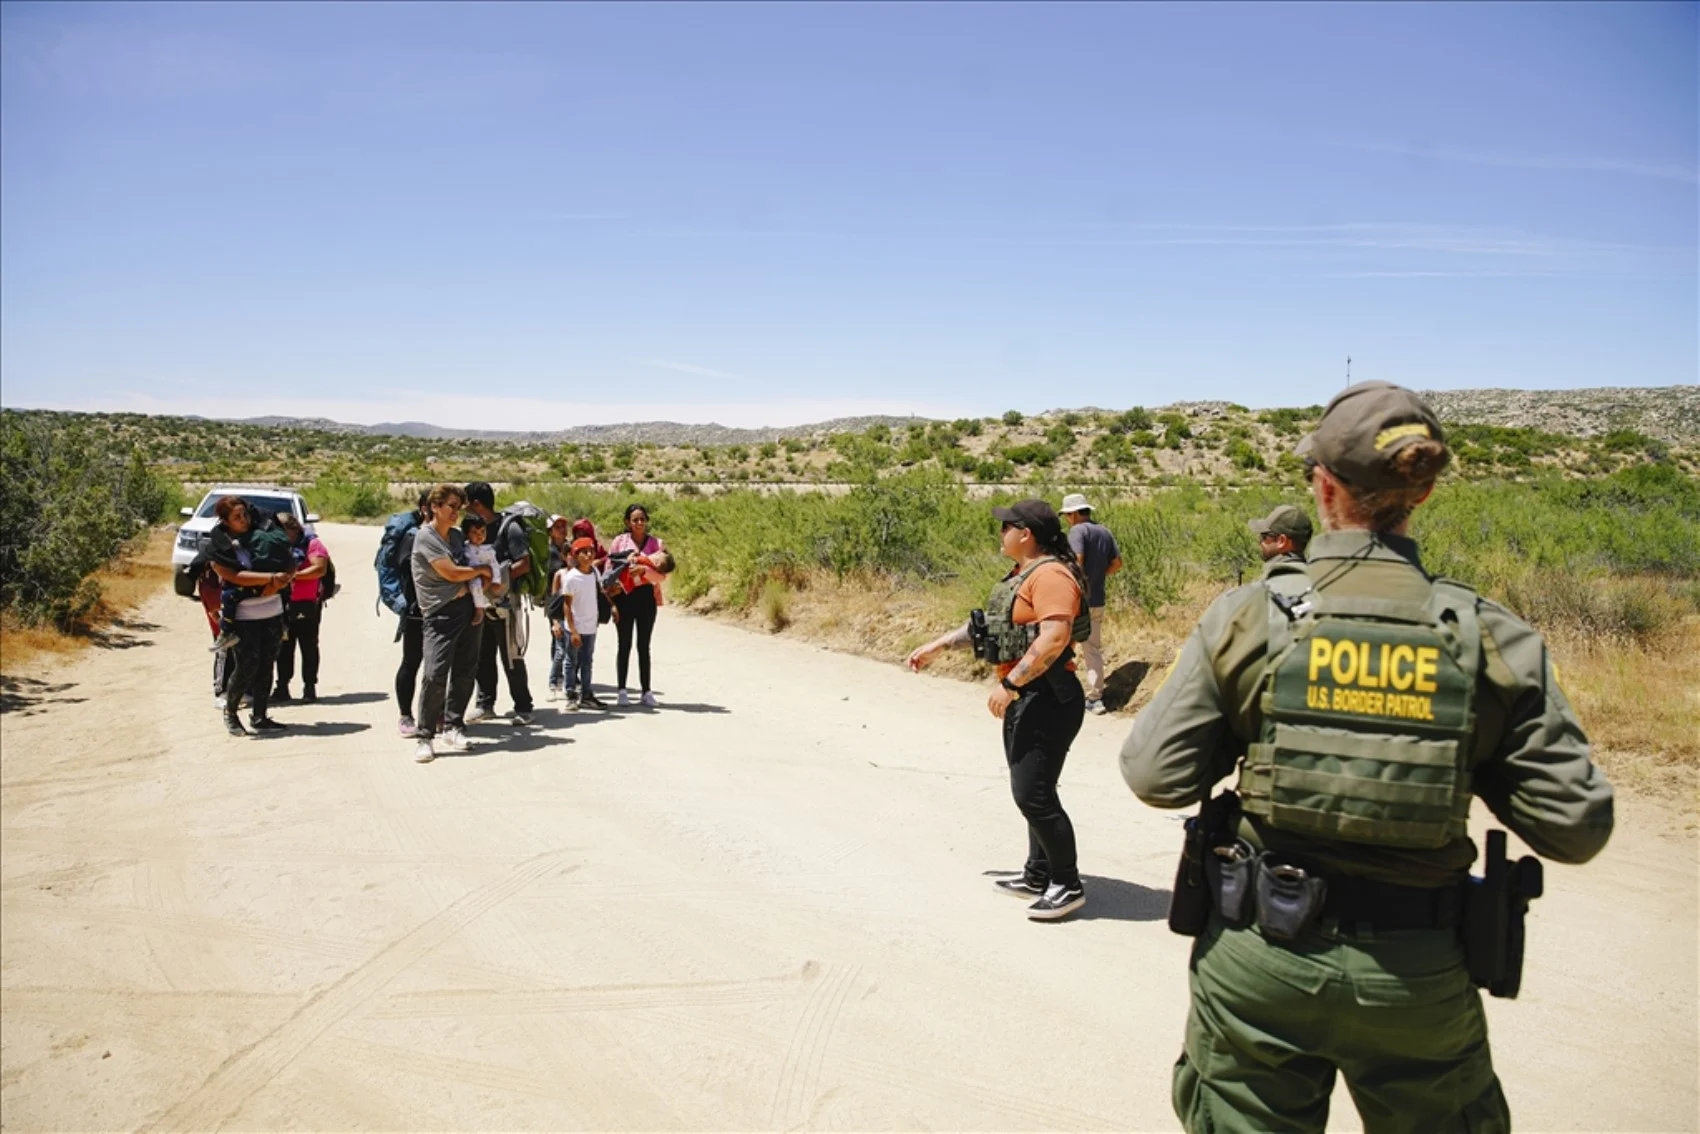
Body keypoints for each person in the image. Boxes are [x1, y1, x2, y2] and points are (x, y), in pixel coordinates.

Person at [1119, 382, 1614, 1133]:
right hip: (1416, 974)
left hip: (1262, 958)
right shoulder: (1486, 636)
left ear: (1322, 487)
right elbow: (1575, 826)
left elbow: (1155, 775)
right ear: (1424, 492)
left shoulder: (1252, 616)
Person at [906, 498, 1090, 921]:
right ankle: (1038, 873)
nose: (1000, 533)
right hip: (1031, 695)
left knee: (1033, 793)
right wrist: (936, 647)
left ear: (1026, 534)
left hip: (1048, 697)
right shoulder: (1022, 574)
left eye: (1006, 527)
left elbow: (1054, 639)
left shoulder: (1051, 576)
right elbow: (989, 626)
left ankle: (1067, 883)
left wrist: (1011, 684)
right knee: (1034, 789)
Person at [410, 484, 493, 764]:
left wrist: (478, 594)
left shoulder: (457, 537)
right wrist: (480, 571)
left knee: (465, 670)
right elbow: (452, 571)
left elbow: (470, 570)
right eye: (451, 506)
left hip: (467, 608)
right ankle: (424, 735)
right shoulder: (426, 538)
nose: (456, 512)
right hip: (440, 613)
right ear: (435, 507)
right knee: (434, 674)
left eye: (459, 507)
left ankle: (453, 726)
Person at [206, 497, 295, 737]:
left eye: (245, 514)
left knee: (267, 665)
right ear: (225, 521)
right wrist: (270, 580)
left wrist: (281, 580)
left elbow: (290, 561)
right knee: (247, 665)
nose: (244, 521)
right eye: (237, 517)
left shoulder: (266, 533)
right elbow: (233, 575)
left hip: (272, 611)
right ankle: (231, 713)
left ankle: (260, 715)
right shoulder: (220, 545)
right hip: (244, 616)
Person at [465, 482, 536, 725]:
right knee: (482, 655)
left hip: (506, 604)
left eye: (466, 504)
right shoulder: (476, 529)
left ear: (476, 504)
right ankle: (485, 704)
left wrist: (496, 581)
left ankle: (523, 707)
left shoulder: (510, 527)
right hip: (482, 603)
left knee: (511, 655)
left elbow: (524, 563)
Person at [1061, 492, 1122, 716]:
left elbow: (1076, 561)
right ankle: (1095, 698)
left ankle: (1061, 694)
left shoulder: (1077, 531)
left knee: (1061, 644)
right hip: (1097, 599)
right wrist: (1096, 577)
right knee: (1092, 649)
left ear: (1075, 513)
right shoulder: (1104, 532)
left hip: (1076, 600)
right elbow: (1117, 564)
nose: (1067, 519)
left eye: (1067, 515)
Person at [607, 504, 668, 708]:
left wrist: (643, 570)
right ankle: (622, 690)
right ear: (627, 522)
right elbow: (609, 570)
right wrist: (611, 600)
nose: (639, 523)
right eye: (635, 520)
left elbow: (662, 575)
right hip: (624, 597)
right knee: (624, 645)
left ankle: (646, 691)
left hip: (645, 597)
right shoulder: (619, 542)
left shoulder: (657, 544)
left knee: (644, 646)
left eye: (642, 519)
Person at [272, 513, 329, 703]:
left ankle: (309, 687)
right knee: (283, 646)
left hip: (306, 603)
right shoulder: (278, 545)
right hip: (282, 602)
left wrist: (291, 576)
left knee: (308, 646)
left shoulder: (312, 544)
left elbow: (319, 569)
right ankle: (282, 687)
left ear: (293, 529)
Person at [391, 491, 429, 738]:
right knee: (412, 662)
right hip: (417, 612)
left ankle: (436, 712)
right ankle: (405, 715)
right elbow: (408, 570)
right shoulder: (412, 537)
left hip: (441, 611)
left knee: (437, 667)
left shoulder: (448, 536)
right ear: (427, 508)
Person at [554, 536, 607, 710]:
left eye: (591, 551)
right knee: (571, 660)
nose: (589, 555)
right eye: (584, 552)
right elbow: (567, 606)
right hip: (575, 627)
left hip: (591, 626)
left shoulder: (594, 572)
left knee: (587, 661)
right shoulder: (571, 578)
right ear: (576, 555)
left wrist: (610, 608)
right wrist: (573, 630)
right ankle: (570, 693)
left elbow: (599, 594)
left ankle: (586, 694)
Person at [544, 515, 571, 699]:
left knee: (565, 641)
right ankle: (556, 681)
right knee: (559, 641)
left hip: (570, 602)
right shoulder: (549, 553)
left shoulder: (569, 549)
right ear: (550, 531)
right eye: (557, 526)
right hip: (555, 603)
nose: (562, 529)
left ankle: (566, 677)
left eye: (563, 525)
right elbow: (550, 586)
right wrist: (553, 616)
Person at [1248, 503, 1313, 570]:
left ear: (1282, 541)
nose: (1260, 542)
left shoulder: (1272, 579)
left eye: (1264, 536)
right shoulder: (1317, 577)